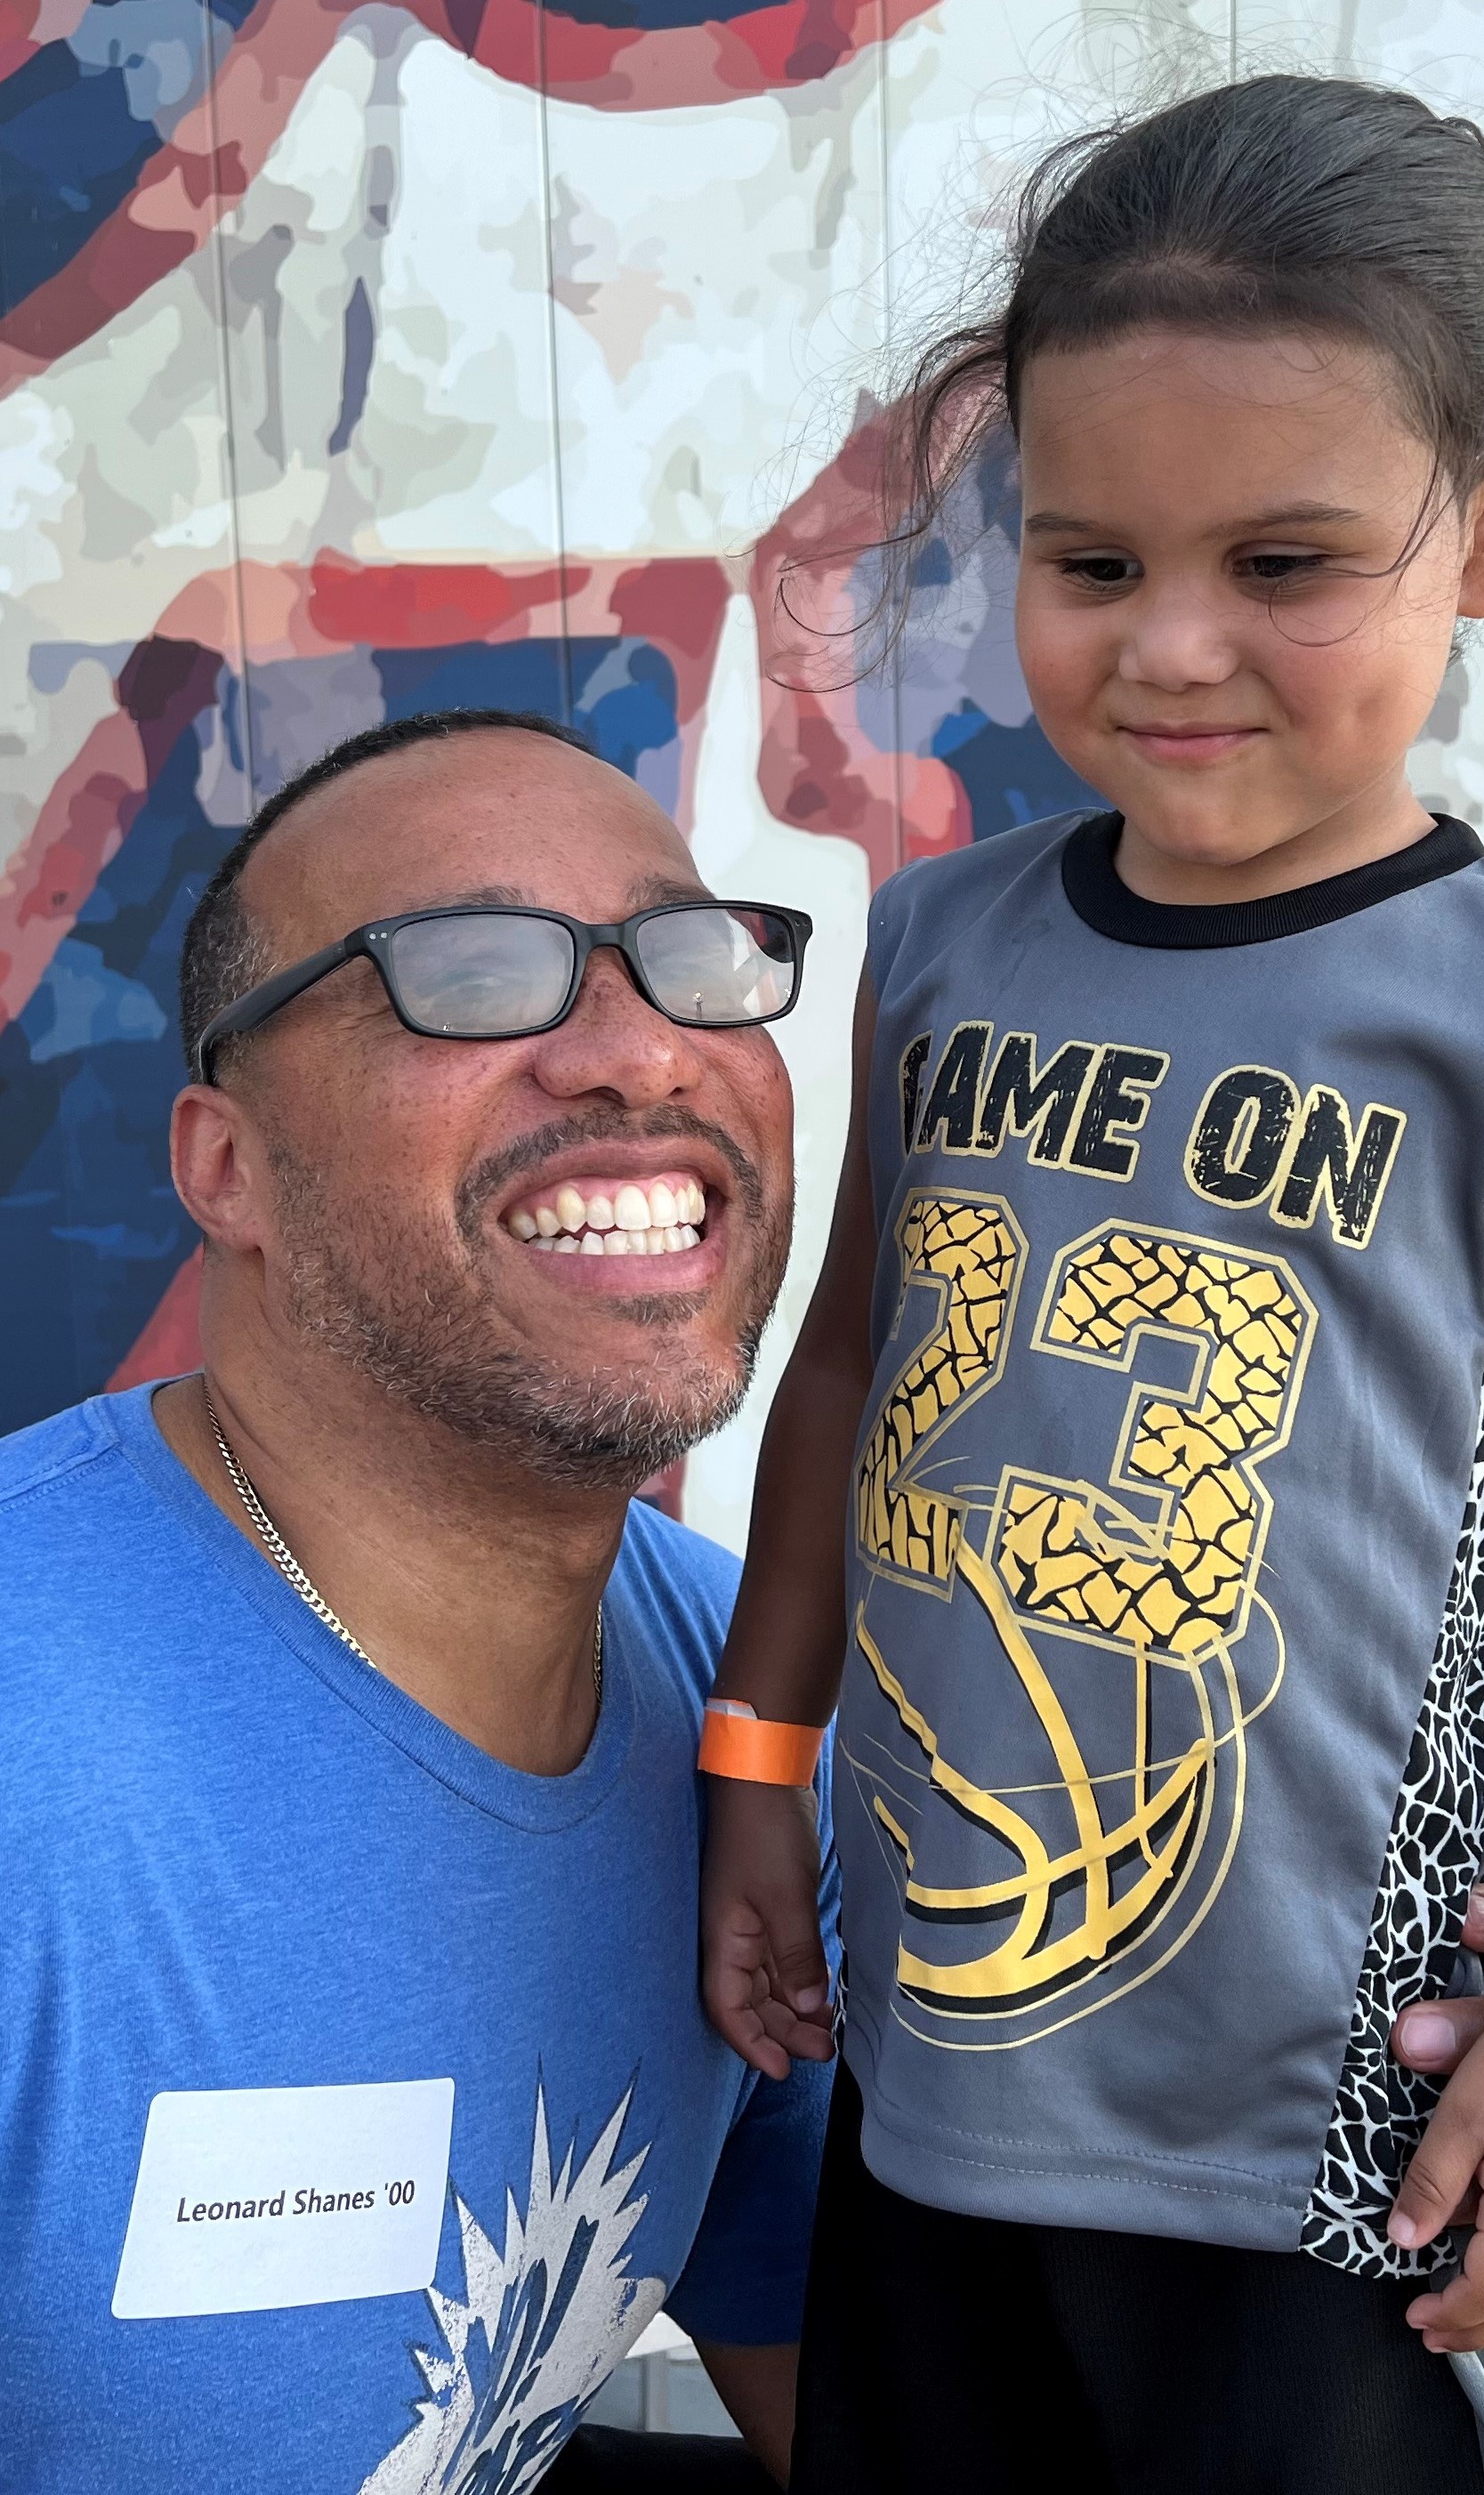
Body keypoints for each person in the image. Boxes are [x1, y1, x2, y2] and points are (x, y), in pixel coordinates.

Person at [698, 76, 1484, 2495]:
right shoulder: (941, 935)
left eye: (1282, 563)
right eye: (1087, 562)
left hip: (1326, 2134)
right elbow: (848, 1367)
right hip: (935, 2057)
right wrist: (756, 1763)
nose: (1170, 648)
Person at [0, 710, 833, 2493]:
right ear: (229, 1167)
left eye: (691, 962)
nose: (635, 1054)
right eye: (470, 972)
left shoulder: (749, 1740)